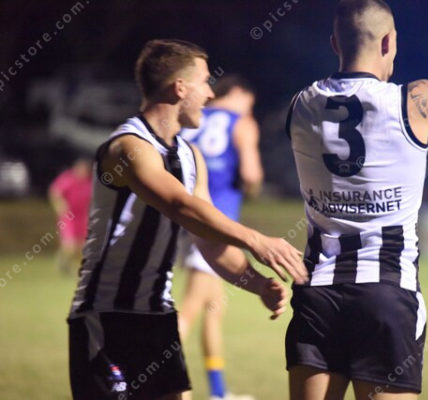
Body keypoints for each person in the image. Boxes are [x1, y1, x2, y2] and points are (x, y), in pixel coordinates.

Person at [285, 0, 428, 399]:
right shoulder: (415, 101)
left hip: (317, 294)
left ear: (335, 43)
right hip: (387, 293)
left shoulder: (301, 103)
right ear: (388, 42)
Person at [67, 39, 307, 400]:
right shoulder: (129, 146)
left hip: (159, 317)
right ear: (180, 88)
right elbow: (179, 205)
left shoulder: (191, 155)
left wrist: (258, 284)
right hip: (106, 317)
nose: (210, 94)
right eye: (205, 82)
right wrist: (255, 239)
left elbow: (208, 240)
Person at [177, 75, 263, 400]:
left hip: (182, 216)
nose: (249, 110)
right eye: (249, 102)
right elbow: (252, 176)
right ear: (238, 92)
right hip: (215, 222)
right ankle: (158, 384)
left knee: (213, 307)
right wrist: (249, 190)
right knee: (190, 307)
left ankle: (218, 391)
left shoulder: (192, 118)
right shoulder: (241, 123)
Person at [48, 157, 93, 275]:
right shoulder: (67, 179)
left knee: (82, 246)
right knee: (70, 245)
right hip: (68, 217)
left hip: (83, 217)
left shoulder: (89, 183)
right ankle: (62, 260)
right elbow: (55, 192)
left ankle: (78, 268)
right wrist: (60, 205)